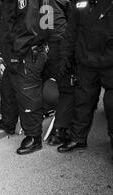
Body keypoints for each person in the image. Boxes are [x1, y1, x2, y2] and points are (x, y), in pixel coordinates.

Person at [0, 0, 64, 155]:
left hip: (24, 54)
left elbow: (29, 26)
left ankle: (34, 137)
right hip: (19, 53)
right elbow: (44, 22)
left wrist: (16, 55)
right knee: (8, 88)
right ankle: (8, 122)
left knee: (28, 95)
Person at [57, 0, 113, 172]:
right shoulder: (81, 3)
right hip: (86, 62)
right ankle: (78, 138)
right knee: (82, 101)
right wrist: (65, 57)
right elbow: (70, 32)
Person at [46, 0, 76, 146]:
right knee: (68, 90)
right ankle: (59, 131)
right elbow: (74, 22)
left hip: (51, 46)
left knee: (63, 86)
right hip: (62, 45)